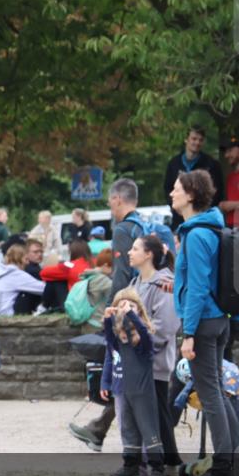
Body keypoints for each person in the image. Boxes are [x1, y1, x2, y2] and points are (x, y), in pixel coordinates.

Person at [171, 169, 239, 476]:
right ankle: (232, 460)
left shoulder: (196, 235)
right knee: (218, 393)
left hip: (204, 324)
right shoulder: (206, 228)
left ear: (191, 195)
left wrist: (189, 333)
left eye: (176, 189)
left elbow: (198, 288)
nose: (171, 193)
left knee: (211, 394)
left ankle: (224, 466)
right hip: (217, 320)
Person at [68, 178, 144, 451]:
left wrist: (113, 309)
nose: (110, 205)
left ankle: (144, 445)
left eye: (111, 200)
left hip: (130, 306)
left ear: (117, 200)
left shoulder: (123, 230)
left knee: (130, 375)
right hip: (146, 302)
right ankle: (99, 428)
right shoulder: (144, 225)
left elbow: (122, 272)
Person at [128, 234, 183, 472]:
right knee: (154, 412)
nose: (129, 252)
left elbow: (167, 326)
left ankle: (167, 460)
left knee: (158, 411)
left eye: (135, 248)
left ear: (148, 254)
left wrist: (142, 340)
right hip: (136, 360)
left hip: (155, 359)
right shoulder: (134, 284)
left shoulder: (164, 283)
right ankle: (167, 459)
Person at [100, 288, 165, 476]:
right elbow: (109, 341)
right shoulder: (119, 342)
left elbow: (143, 332)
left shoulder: (144, 342)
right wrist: (108, 319)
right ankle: (130, 465)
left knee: (148, 428)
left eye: (131, 305)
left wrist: (130, 313)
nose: (125, 308)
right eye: (121, 305)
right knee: (127, 429)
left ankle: (157, 467)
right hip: (124, 392)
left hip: (142, 394)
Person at [164, 125, 223, 229]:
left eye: (200, 140)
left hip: (202, 218)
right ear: (186, 139)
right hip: (179, 218)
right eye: (194, 139)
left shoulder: (211, 164)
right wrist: (176, 207)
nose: (197, 143)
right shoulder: (174, 164)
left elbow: (217, 192)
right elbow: (168, 189)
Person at [0, 244, 47, 316]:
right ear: (19, 258)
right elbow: (43, 289)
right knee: (28, 292)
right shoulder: (15, 274)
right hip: (6, 314)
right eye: (26, 259)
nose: (28, 263)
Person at [12, 238, 45, 315]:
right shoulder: (32, 270)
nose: (39, 254)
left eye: (41, 252)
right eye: (35, 252)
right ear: (26, 254)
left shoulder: (35, 268)